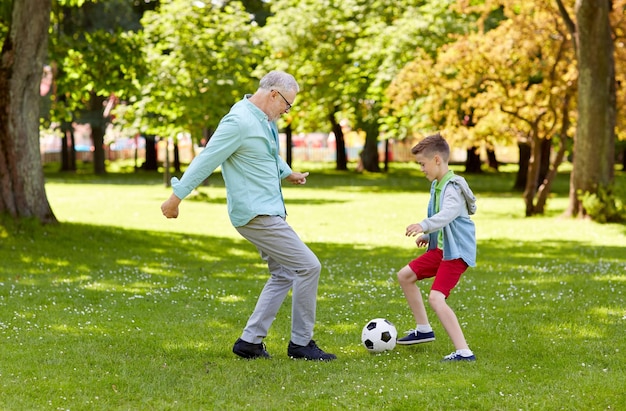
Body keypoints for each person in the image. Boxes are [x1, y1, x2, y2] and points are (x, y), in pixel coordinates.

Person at [160, 70, 336, 361]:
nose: (286, 111)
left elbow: (266, 154)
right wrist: (175, 198)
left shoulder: (263, 121)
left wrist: (287, 172)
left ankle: (249, 343)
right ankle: (301, 344)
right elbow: (207, 159)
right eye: (287, 104)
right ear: (273, 94)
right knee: (308, 266)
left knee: (282, 274)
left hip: (268, 210)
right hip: (256, 214)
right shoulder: (238, 121)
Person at [396, 132, 477, 362]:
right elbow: (439, 218)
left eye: (423, 164)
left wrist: (423, 225)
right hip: (442, 250)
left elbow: (448, 214)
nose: (422, 169)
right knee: (405, 276)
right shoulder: (437, 185)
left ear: (437, 160)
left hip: (456, 253)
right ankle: (423, 329)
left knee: (436, 298)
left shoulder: (452, 187)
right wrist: (429, 234)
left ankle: (464, 352)